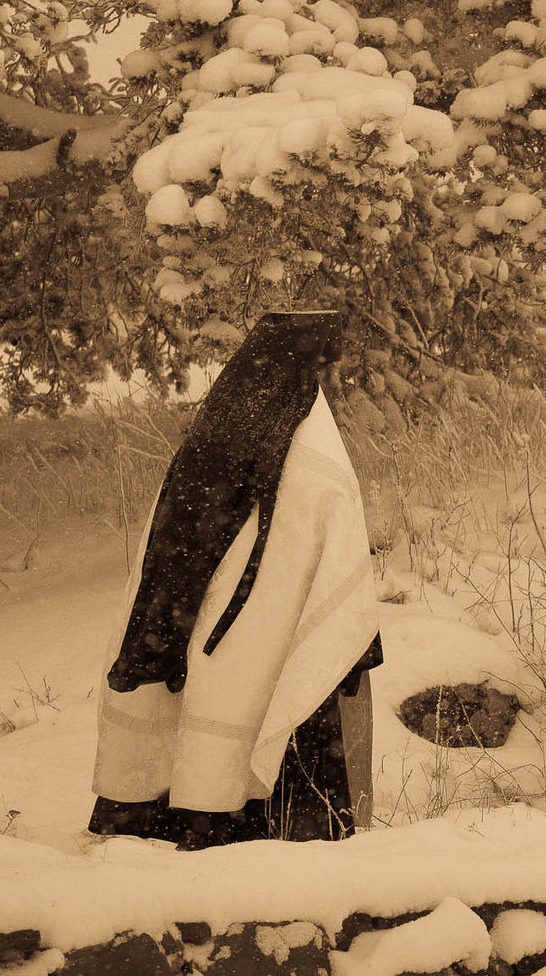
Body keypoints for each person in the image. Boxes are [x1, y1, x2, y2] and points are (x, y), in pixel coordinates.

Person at [88, 309, 383, 849]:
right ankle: (269, 821)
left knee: (221, 709)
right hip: (273, 640)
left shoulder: (216, 431)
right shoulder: (310, 448)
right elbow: (329, 542)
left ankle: (194, 810)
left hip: (198, 640)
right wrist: (356, 642)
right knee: (276, 727)